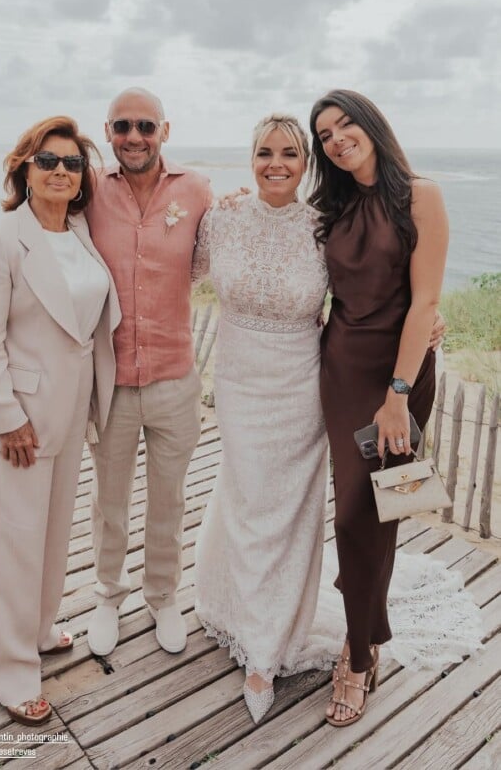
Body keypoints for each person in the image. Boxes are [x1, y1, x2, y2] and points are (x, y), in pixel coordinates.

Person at [0, 116, 121, 726]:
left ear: (84, 177)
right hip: (21, 420)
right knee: (16, 545)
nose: (60, 171)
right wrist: (7, 417)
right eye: (47, 161)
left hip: (71, 409)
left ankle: (38, 629)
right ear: (25, 168)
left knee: (53, 536)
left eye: (72, 163)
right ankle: (7, 668)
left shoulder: (81, 232)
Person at [308, 89, 449, 726]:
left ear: (370, 125)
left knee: (378, 509)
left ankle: (359, 656)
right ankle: (365, 626)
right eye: (325, 135)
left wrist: (398, 394)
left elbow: (424, 303)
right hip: (341, 367)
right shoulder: (330, 207)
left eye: (345, 125)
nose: (337, 139)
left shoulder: (421, 194)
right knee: (351, 512)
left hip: (400, 375)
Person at [192, 113, 330, 723]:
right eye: (265, 152)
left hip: (303, 384)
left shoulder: (327, 227)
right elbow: (176, 271)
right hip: (240, 379)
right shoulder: (221, 217)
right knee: (248, 498)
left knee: (289, 506)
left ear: (306, 163)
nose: (277, 163)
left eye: (290, 153)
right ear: (250, 158)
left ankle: (268, 648)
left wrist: (426, 320)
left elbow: (371, 294)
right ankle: (241, 612)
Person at [85, 87, 213, 657]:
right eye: (122, 126)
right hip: (109, 383)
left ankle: (162, 596)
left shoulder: (198, 190)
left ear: (165, 129)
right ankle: (108, 594)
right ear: (108, 131)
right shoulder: (87, 190)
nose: (133, 137)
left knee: (170, 498)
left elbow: (228, 250)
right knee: (109, 500)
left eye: (144, 125)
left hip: (173, 378)